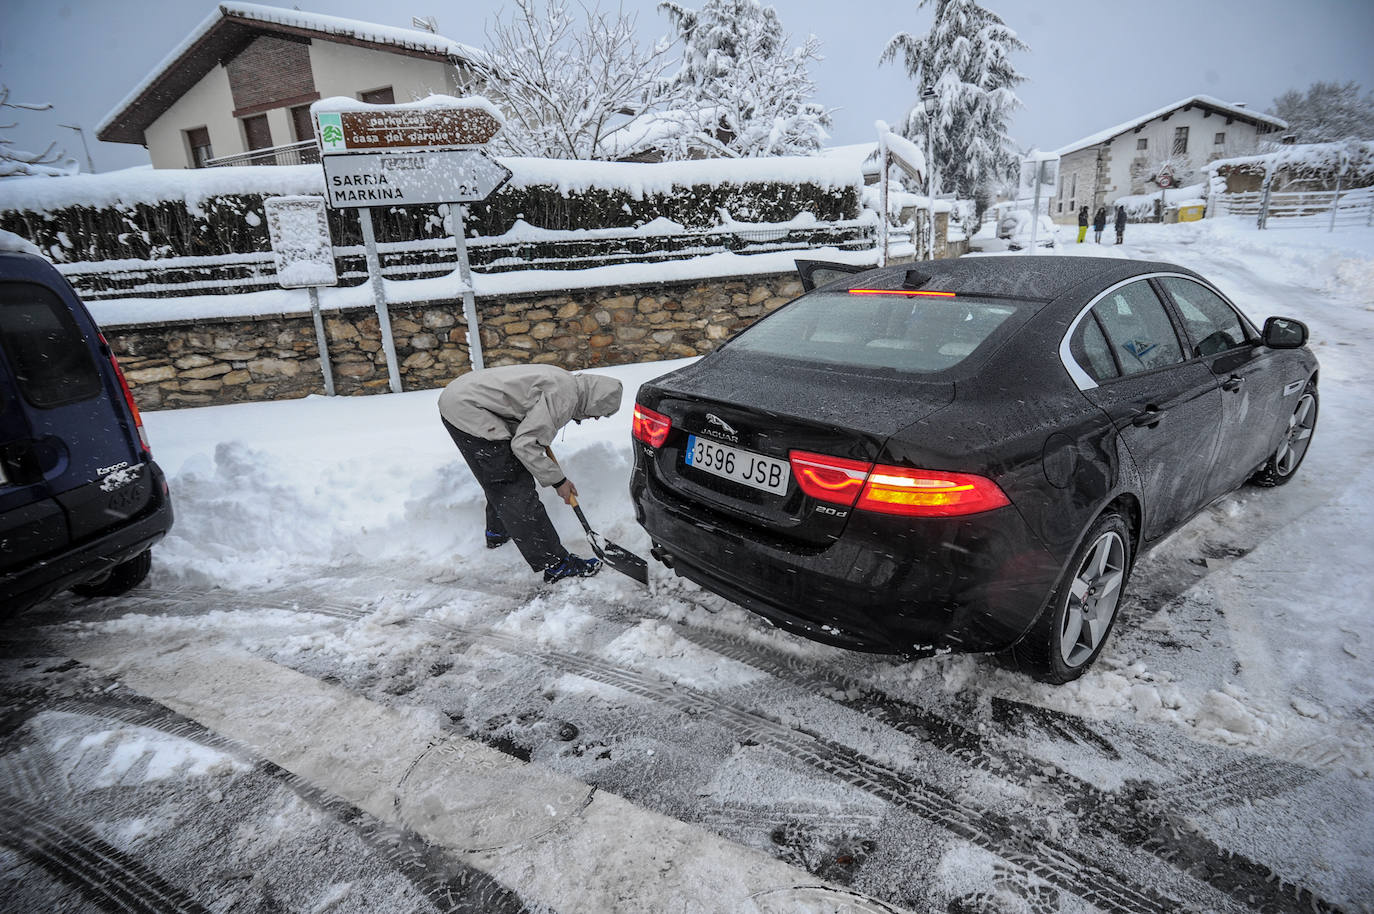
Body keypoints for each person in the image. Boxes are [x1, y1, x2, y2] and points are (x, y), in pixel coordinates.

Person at [438, 364, 624, 583]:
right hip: (470, 410)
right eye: (597, 415)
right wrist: (559, 481)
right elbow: (525, 445)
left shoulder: (566, 382)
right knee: (513, 485)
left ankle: (498, 532)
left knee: (498, 476)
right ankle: (556, 564)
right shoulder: (564, 398)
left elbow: (522, 411)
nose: (593, 419)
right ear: (595, 403)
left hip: (461, 399)